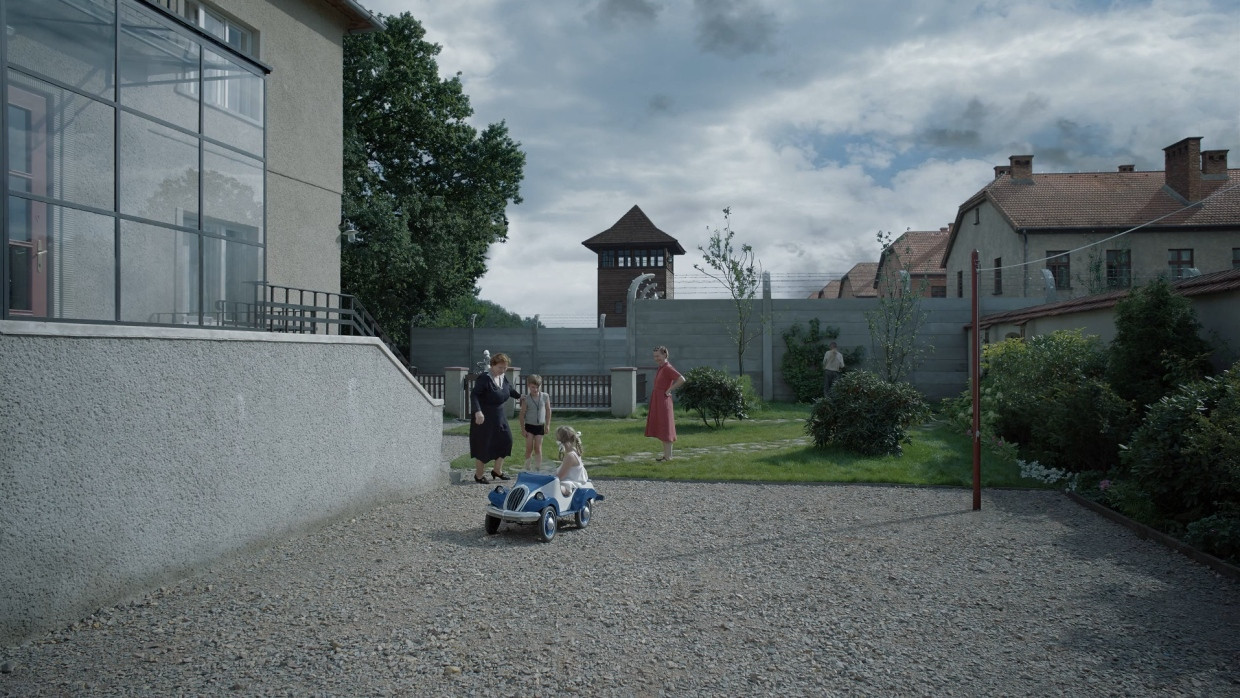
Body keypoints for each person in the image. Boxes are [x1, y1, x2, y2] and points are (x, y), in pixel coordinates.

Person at [470, 352, 521, 483]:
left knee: (506, 441)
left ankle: (497, 470)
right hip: (484, 418)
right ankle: (479, 475)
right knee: (484, 446)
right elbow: (474, 395)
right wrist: (478, 412)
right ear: (492, 365)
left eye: (505, 368)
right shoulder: (485, 378)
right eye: (500, 367)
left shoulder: (502, 377)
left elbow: (509, 389)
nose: (503, 370)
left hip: (499, 416)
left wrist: (520, 397)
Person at [645, 345, 686, 461]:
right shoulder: (661, 368)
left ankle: (668, 457)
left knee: (666, 427)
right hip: (658, 399)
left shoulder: (667, 368)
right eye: (654, 356)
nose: (656, 358)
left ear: (665, 355)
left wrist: (669, 390)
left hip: (663, 400)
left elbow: (682, 379)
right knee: (662, 427)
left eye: (658, 356)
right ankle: (667, 456)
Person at [519, 374, 552, 469]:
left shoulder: (545, 396)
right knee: (529, 449)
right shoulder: (526, 399)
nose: (535, 389)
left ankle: (538, 468)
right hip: (529, 426)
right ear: (528, 386)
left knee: (538, 448)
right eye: (533, 387)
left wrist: (548, 425)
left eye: (537, 387)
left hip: (540, 426)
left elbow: (548, 410)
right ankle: (527, 467)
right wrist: (523, 429)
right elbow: (521, 414)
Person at [554, 425, 588, 497]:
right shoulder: (574, 451)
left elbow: (560, 477)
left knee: (550, 487)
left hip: (569, 484)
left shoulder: (570, 456)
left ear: (560, 441)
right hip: (569, 481)